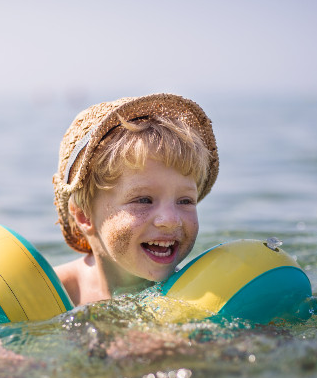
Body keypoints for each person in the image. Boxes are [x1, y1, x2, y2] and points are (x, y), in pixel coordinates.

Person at [52, 93, 219, 306]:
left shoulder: (203, 296)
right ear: (84, 216)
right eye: (144, 200)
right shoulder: (56, 294)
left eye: (185, 201)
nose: (170, 220)